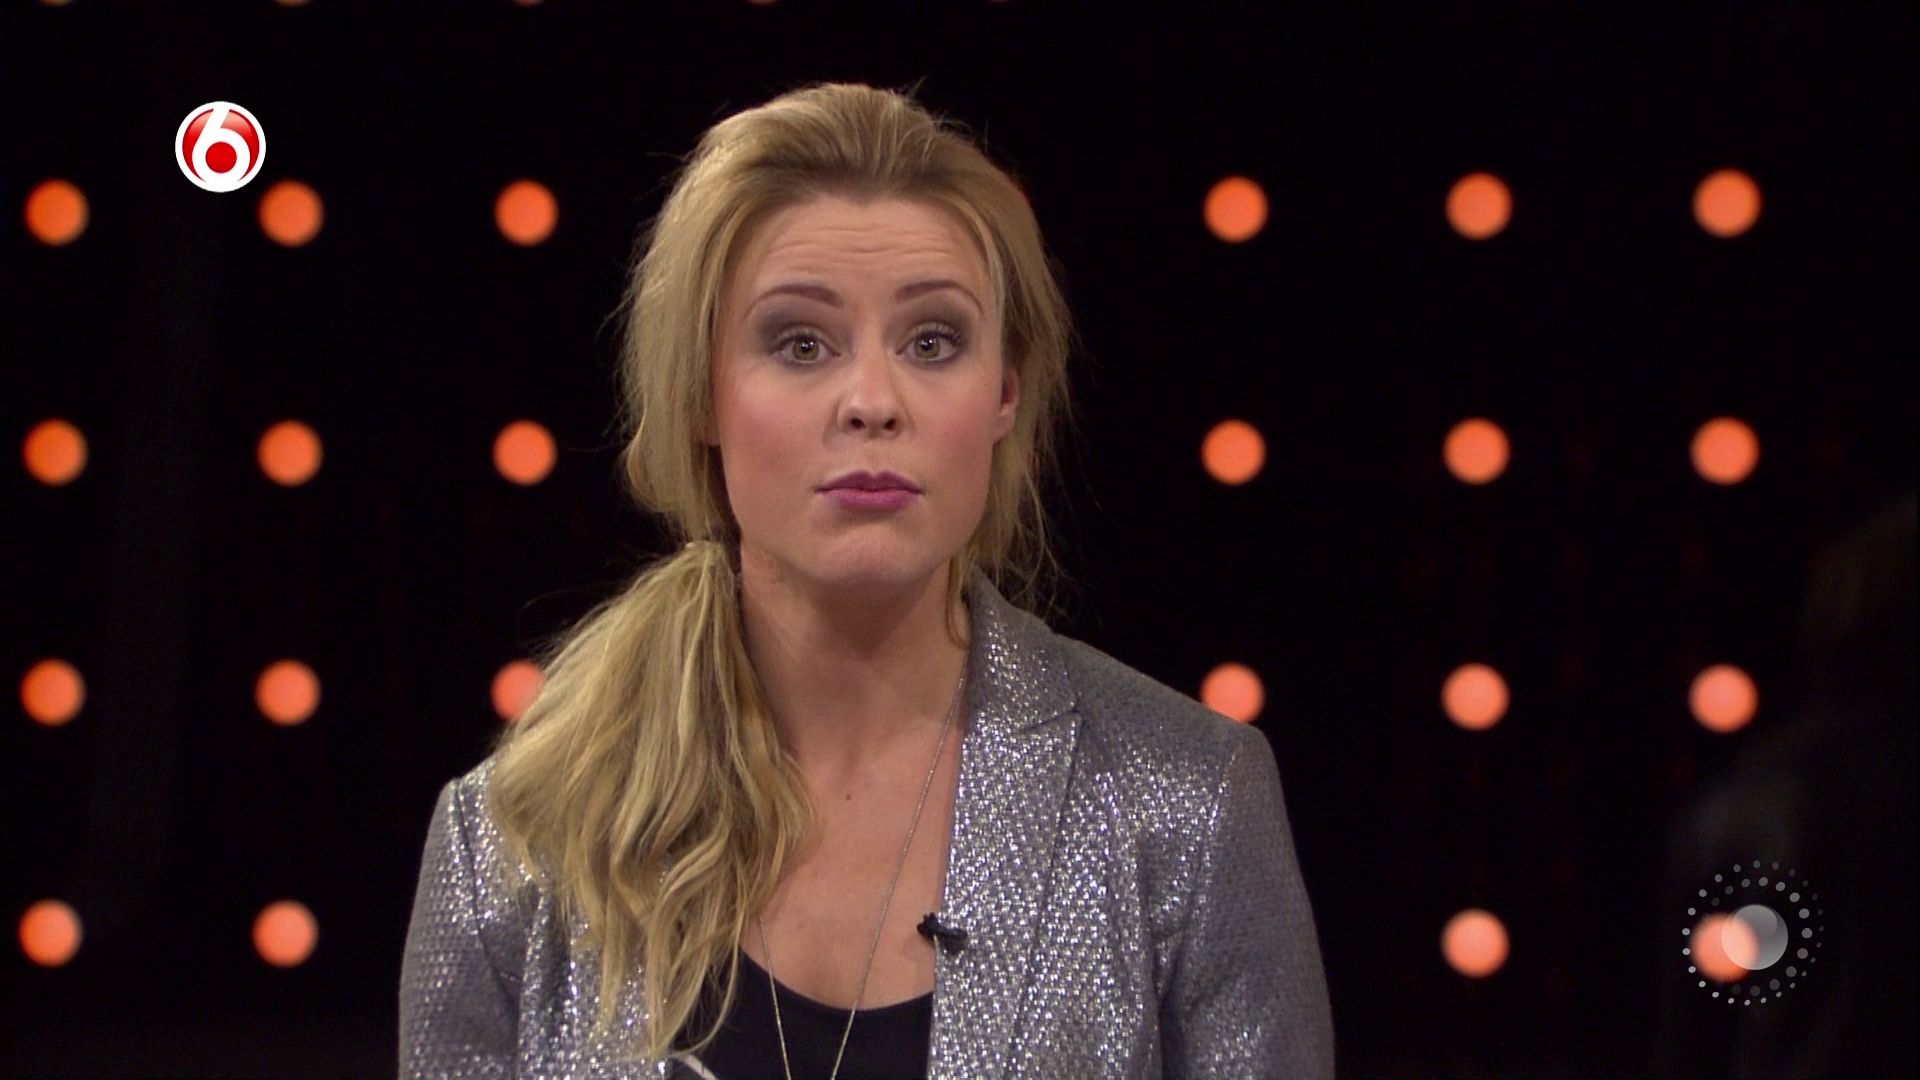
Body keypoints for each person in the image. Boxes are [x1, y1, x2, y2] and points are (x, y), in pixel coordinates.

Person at [398, 80, 1334, 1079]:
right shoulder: (517, 845)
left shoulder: (1186, 806)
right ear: (701, 393)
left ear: (1004, 392)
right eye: (800, 343)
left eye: (933, 342)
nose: (873, 401)